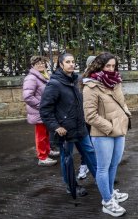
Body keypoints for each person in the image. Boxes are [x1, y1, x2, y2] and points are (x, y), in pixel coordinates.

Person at [40, 53, 97, 197]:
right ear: (60, 64)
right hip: (64, 131)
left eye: (73, 61)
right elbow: (45, 109)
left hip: (80, 127)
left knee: (90, 152)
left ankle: (100, 178)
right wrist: (56, 127)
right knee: (67, 158)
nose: (71, 64)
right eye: (67, 62)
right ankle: (71, 186)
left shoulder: (77, 80)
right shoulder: (54, 84)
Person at [82, 52, 130, 217]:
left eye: (113, 66)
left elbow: (121, 102)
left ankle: (110, 192)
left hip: (119, 130)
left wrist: (126, 114)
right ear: (99, 66)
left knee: (114, 164)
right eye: (107, 66)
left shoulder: (115, 81)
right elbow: (90, 116)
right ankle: (107, 202)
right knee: (103, 168)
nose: (111, 69)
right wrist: (109, 127)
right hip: (103, 133)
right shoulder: (90, 86)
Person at [23, 56, 58, 166]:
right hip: (39, 112)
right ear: (33, 65)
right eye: (38, 63)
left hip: (45, 111)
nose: (41, 65)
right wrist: (42, 106)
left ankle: (47, 151)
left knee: (46, 133)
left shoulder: (44, 75)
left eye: (42, 63)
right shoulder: (31, 78)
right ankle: (42, 157)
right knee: (41, 135)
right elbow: (27, 97)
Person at [77, 55, 96, 180]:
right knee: (88, 145)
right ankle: (84, 166)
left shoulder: (103, 78)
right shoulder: (82, 80)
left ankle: (96, 169)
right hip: (86, 117)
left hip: (98, 116)